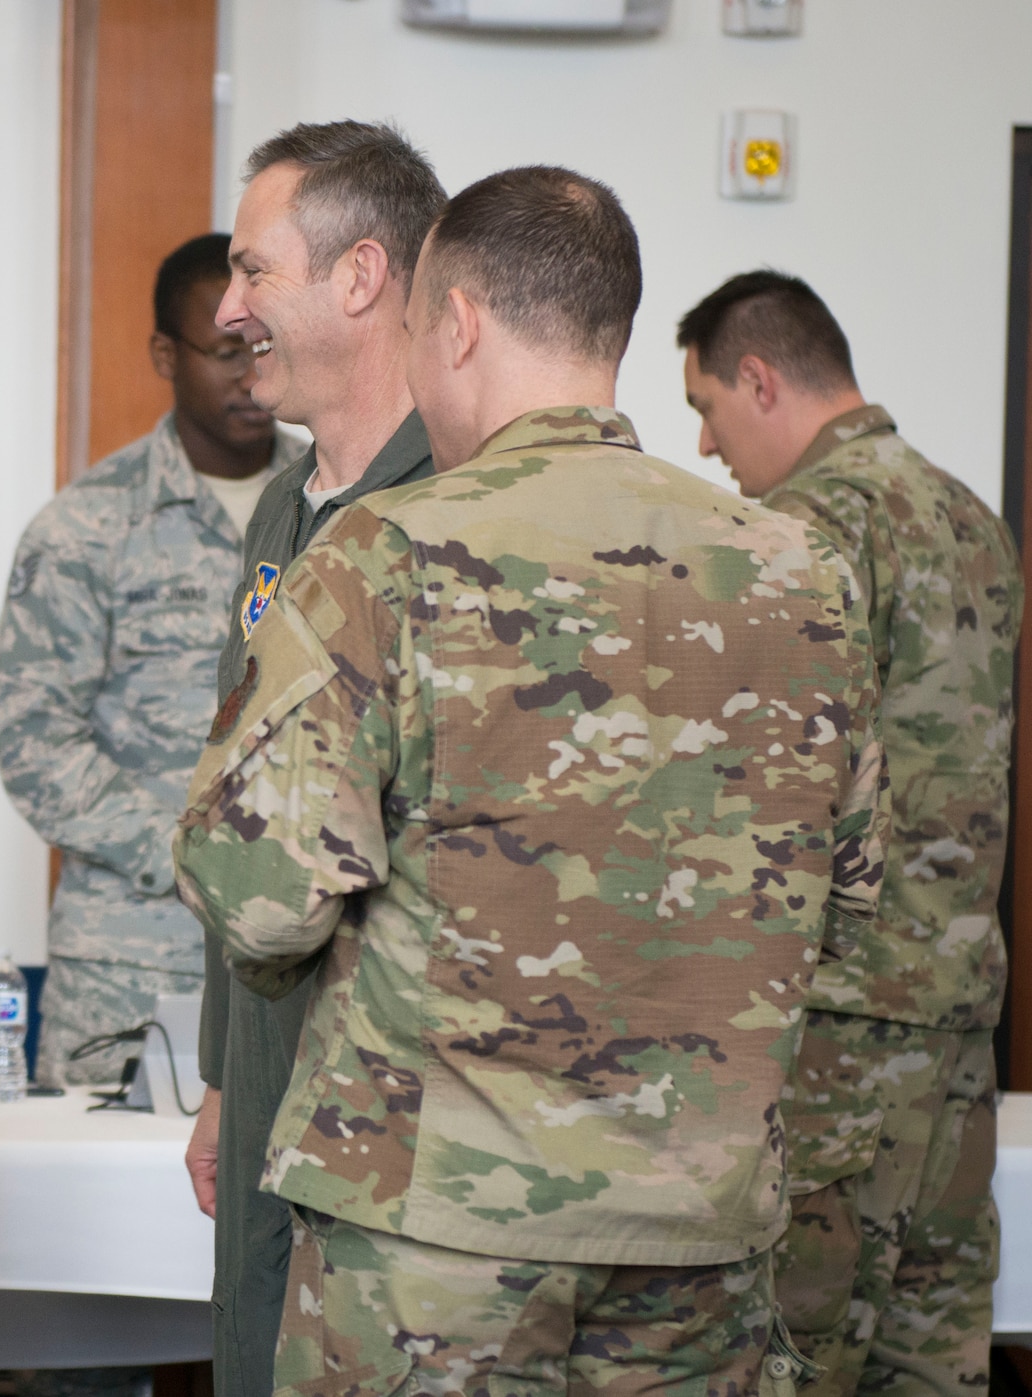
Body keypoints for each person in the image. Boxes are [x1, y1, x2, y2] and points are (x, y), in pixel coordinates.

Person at [176, 167, 887, 1397]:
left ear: (451, 324)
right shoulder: (801, 568)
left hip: (437, 1244)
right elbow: (850, 903)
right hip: (698, 1235)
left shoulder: (386, 553)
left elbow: (255, 892)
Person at [679, 270, 1019, 1397]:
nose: (706, 443)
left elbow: (755, 787)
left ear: (759, 378)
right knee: (930, 1359)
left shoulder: (803, 527)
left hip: (836, 1035)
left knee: (796, 1356)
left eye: (707, 407)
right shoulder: (970, 515)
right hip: (957, 1022)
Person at [180, 119, 445, 1397]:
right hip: (271, 1050)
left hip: (407, 1096)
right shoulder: (286, 510)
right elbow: (247, 806)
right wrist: (225, 1074)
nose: (229, 312)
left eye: (252, 272)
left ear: (358, 277)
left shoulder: (458, 502)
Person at [0, 232, 289, 1086]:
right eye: (225, 350)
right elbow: (35, 742)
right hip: (131, 968)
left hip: (304, 963)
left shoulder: (335, 510)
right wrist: (186, 851)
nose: (248, 374)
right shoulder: (86, 528)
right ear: (167, 352)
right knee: (110, 1214)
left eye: (263, 348)